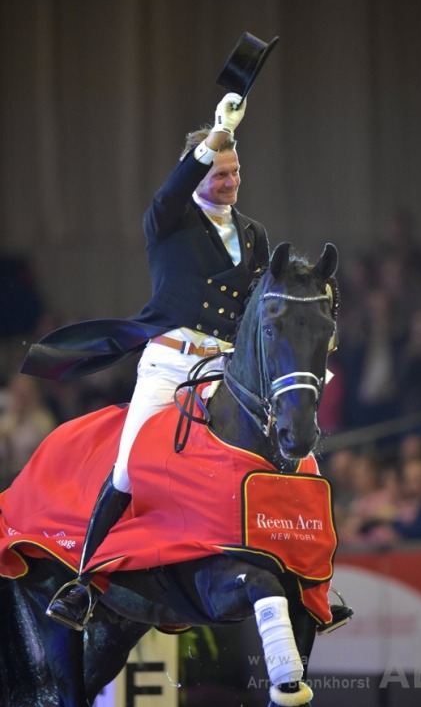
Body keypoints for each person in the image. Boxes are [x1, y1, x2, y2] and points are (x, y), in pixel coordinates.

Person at [27, 91, 270, 628]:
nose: (230, 182)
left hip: (225, 372)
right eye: (219, 172)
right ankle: (83, 580)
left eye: (235, 172)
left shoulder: (255, 234)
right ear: (201, 171)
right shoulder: (168, 220)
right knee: (129, 467)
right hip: (171, 364)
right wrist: (213, 134)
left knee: (283, 450)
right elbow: (171, 188)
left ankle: (303, 572)